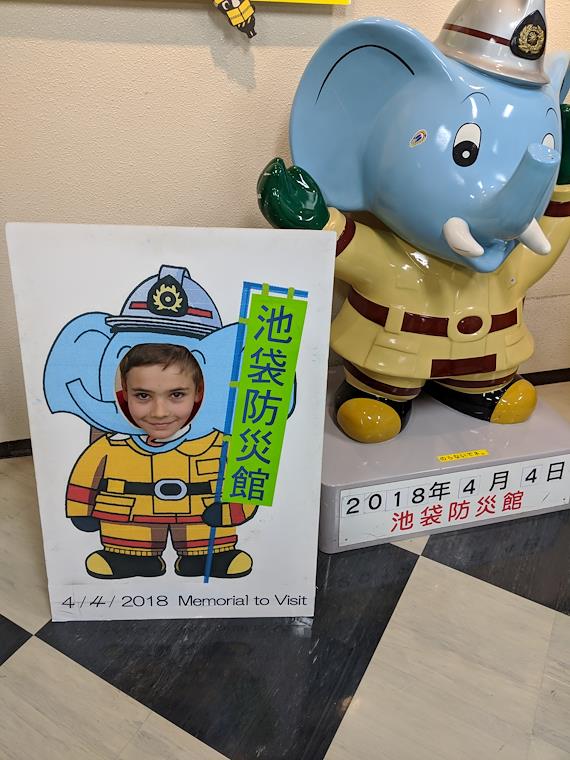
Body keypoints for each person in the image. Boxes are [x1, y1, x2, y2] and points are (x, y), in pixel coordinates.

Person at [65, 343, 256, 580]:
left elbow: (246, 485)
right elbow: (85, 476)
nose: (159, 412)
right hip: (131, 523)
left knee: (208, 546)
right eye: (142, 395)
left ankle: (210, 558)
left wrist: (232, 512)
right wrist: (81, 511)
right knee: (128, 547)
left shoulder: (221, 444)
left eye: (177, 395)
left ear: (198, 392)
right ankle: (130, 558)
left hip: (201, 522)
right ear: (124, 393)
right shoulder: (111, 445)